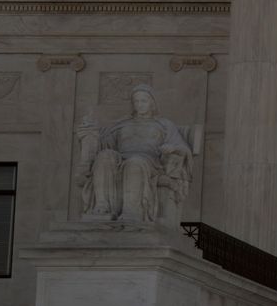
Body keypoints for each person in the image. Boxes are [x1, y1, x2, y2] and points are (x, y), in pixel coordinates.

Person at [77, 85, 194, 225]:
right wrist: (91, 131)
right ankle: (102, 207)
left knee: (134, 162)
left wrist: (172, 147)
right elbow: (104, 144)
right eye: (136, 102)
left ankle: (132, 211)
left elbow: (182, 148)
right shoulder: (122, 124)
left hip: (150, 162)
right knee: (104, 156)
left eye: (143, 101)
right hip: (120, 157)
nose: (139, 105)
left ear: (152, 103)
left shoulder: (164, 125)